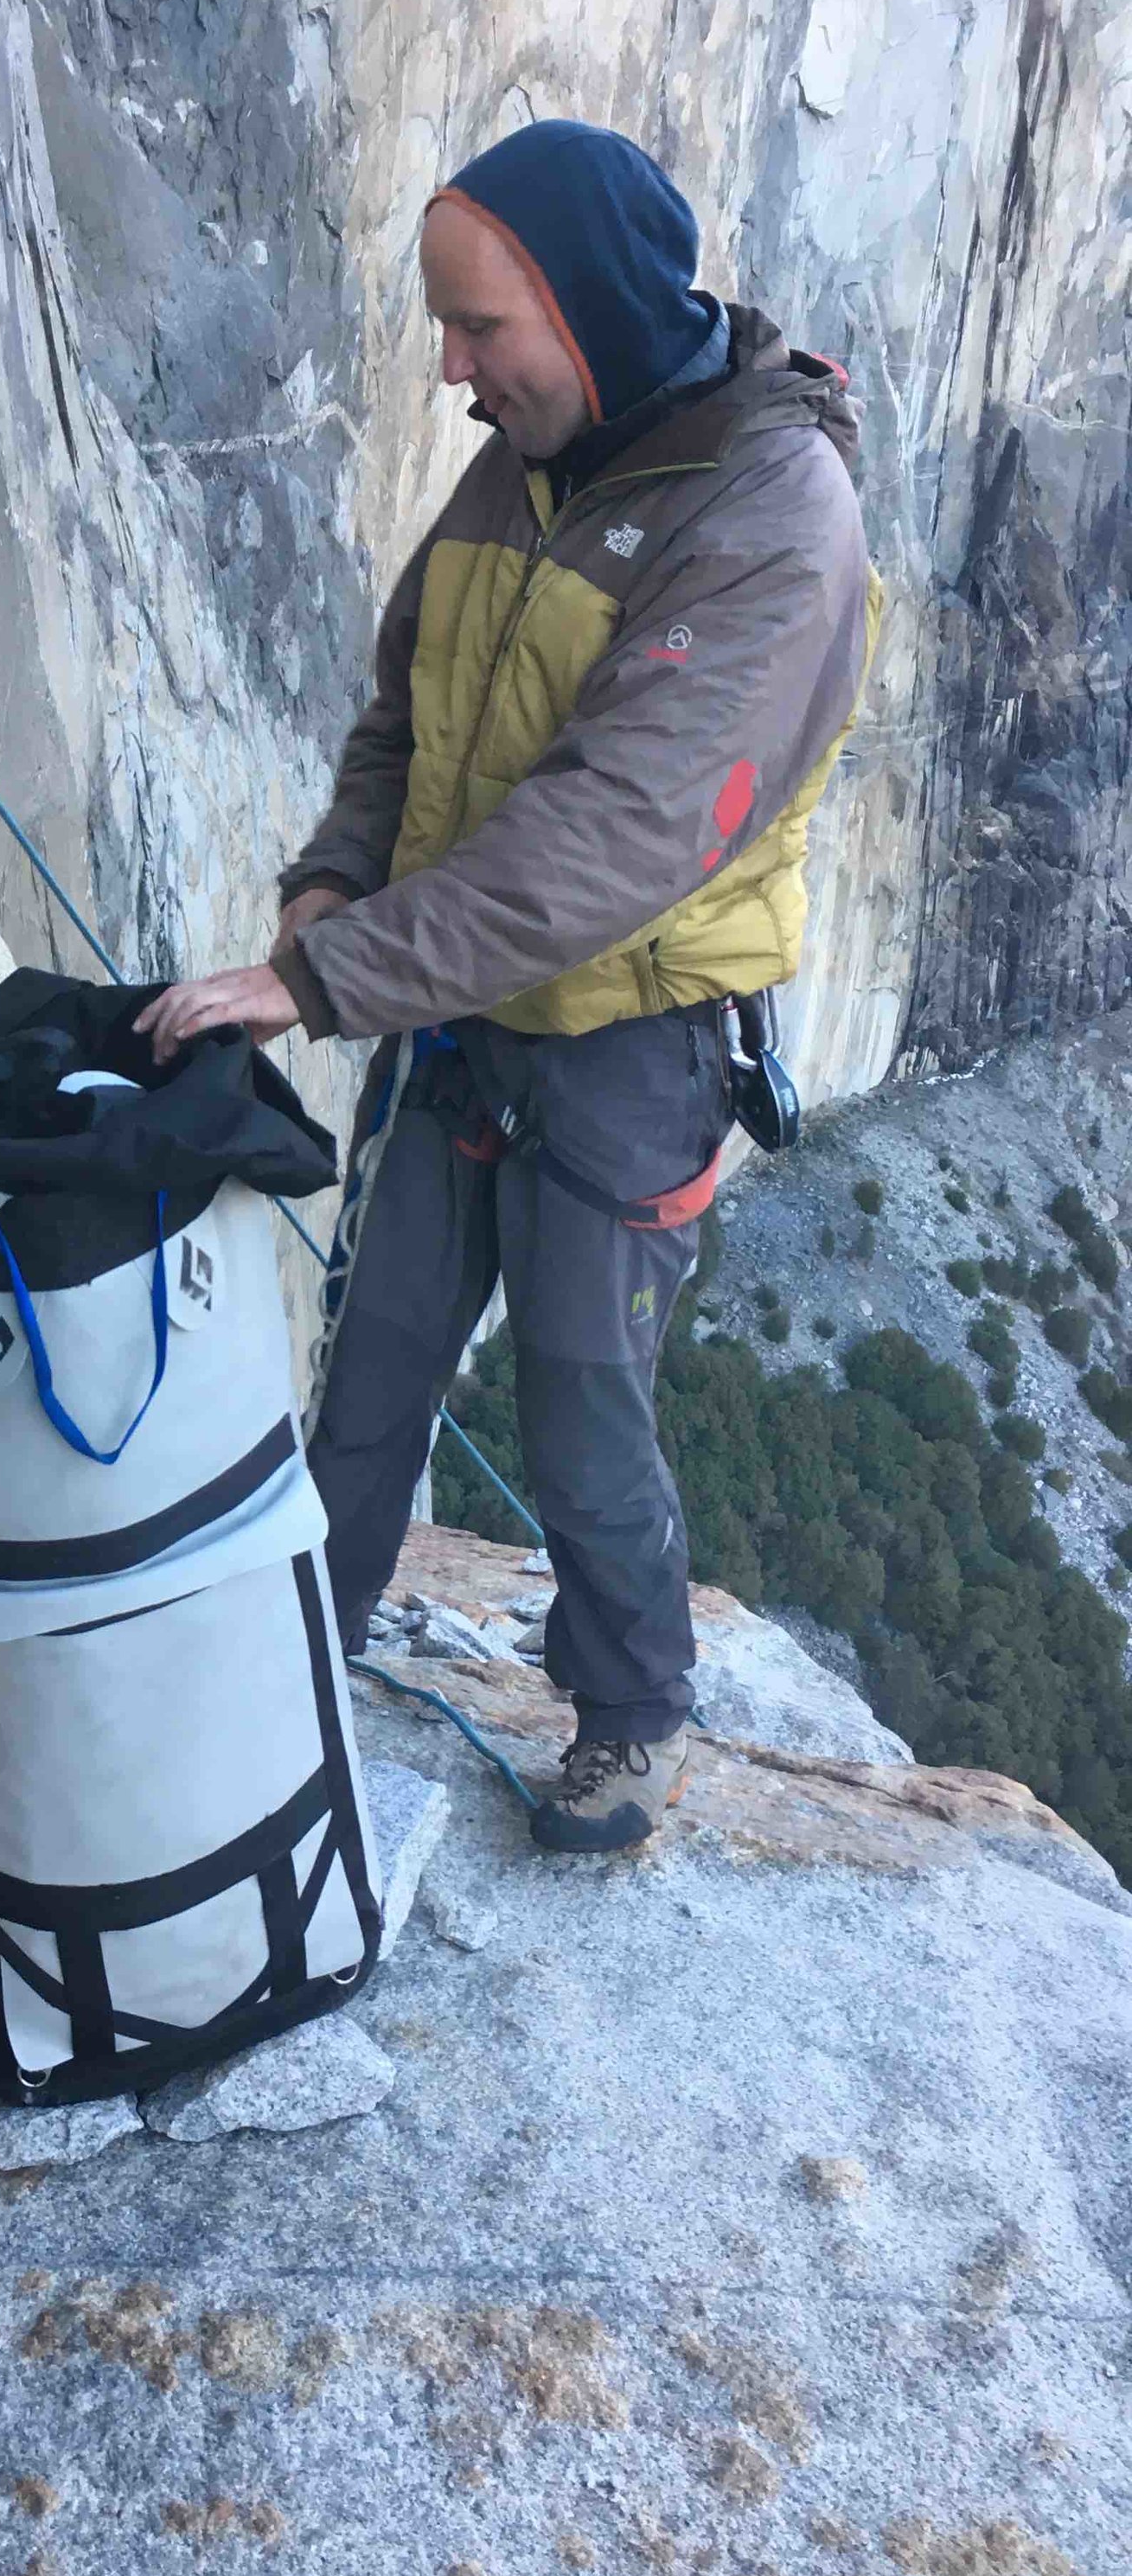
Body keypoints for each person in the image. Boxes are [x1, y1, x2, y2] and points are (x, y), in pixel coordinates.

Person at [137, 117, 878, 1852]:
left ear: (593, 309)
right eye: (445, 329)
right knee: (375, 1358)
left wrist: (319, 975)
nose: (452, 371)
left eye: (479, 329)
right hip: (464, 1005)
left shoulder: (768, 517)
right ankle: (290, 1653)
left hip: (630, 1040)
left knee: (576, 1395)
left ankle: (626, 1711)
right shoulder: (527, 461)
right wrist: (332, 870)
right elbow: (407, 714)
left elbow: (613, 834)